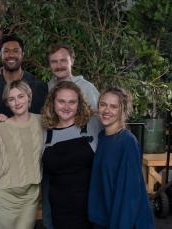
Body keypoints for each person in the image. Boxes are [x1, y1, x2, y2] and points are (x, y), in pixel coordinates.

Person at [42, 44, 101, 229]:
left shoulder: (87, 89)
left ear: (72, 61)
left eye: (63, 60)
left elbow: (103, 123)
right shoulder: (48, 86)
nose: (59, 65)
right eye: (54, 61)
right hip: (57, 197)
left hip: (85, 195)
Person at [88, 88, 154, 229]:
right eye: (103, 104)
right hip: (103, 217)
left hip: (121, 221)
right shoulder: (101, 137)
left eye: (113, 106)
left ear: (122, 111)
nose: (107, 110)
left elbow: (130, 194)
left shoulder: (127, 142)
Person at [41, 81, 95, 229]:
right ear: (52, 102)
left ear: (79, 104)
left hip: (89, 206)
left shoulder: (92, 125)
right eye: (61, 101)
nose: (66, 107)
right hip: (59, 207)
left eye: (72, 102)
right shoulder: (44, 131)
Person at [0, 80, 43, 229]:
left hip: (30, 196)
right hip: (3, 195)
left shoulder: (42, 122)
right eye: (11, 99)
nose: (17, 102)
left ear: (29, 97)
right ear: (7, 103)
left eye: (21, 96)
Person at [0, 35, 48, 117]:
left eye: (15, 51)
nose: (11, 55)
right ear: (0, 55)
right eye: (6, 51)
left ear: (22, 54)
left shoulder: (39, 87)